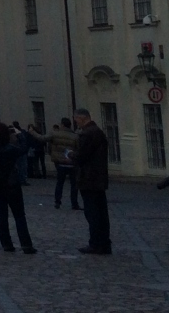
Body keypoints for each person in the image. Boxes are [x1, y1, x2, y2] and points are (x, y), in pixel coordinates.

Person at [0, 123, 36, 254]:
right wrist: (20, 135)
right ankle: (26, 245)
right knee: (19, 215)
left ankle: (6, 244)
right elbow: (24, 149)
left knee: (2, 214)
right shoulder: (10, 149)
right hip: (10, 184)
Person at [74, 107, 112, 254]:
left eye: (76, 119)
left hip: (88, 178)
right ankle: (104, 242)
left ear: (82, 118)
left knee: (92, 213)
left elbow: (81, 156)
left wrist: (70, 155)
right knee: (101, 212)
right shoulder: (99, 132)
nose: (76, 122)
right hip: (99, 178)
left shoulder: (87, 134)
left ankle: (96, 243)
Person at [45, 117, 80, 210]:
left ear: (62, 125)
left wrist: (32, 132)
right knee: (74, 184)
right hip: (72, 163)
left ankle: (57, 202)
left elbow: (43, 138)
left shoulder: (55, 134)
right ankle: (74, 203)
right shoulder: (75, 136)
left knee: (60, 183)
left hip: (60, 162)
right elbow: (78, 149)